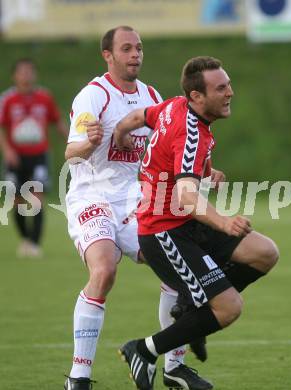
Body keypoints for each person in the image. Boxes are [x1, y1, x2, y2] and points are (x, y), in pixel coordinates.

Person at [114, 56, 279, 390]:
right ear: (197, 97)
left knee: (265, 252)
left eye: (228, 84)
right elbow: (188, 197)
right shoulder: (191, 130)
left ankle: (194, 306)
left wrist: (120, 134)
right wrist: (223, 222)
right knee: (229, 307)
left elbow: (136, 118)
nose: (230, 92)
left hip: (185, 224)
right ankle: (143, 350)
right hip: (165, 232)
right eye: (221, 88)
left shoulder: (174, 106)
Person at [64, 26, 211, 390]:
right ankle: (78, 377)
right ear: (108, 55)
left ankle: (174, 368)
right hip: (92, 197)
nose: (135, 55)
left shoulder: (150, 95)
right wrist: (88, 143)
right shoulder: (93, 96)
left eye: (139, 48)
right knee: (103, 272)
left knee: (177, 272)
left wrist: (200, 172)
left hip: (133, 200)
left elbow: (161, 150)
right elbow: (71, 152)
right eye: (126, 48)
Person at [0, 58, 68, 257]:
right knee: (17, 201)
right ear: (14, 76)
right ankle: (26, 239)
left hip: (39, 155)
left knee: (37, 198)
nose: (26, 75)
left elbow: (57, 121)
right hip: (16, 157)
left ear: (34, 74)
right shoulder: (7, 99)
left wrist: (73, 142)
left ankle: (35, 245)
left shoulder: (44, 97)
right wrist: (7, 150)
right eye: (22, 72)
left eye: (30, 71)